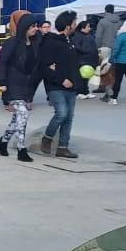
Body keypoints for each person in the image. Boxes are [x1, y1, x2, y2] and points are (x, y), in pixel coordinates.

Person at [0, 13, 41, 162]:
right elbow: (2, 62)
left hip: (25, 84)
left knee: (17, 118)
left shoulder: (34, 43)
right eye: (33, 26)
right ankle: (21, 149)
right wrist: (2, 82)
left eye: (36, 26)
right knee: (23, 114)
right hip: (12, 83)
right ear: (25, 27)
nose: (36, 29)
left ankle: (3, 141)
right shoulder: (13, 42)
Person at [37, 11, 82, 158]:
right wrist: (61, 79)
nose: (76, 25)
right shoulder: (51, 42)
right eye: (74, 23)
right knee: (61, 113)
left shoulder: (72, 42)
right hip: (56, 86)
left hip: (72, 86)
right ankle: (48, 137)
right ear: (68, 25)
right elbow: (45, 66)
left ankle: (63, 146)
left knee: (69, 117)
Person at [94, 4, 122, 98]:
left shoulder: (102, 21)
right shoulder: (120, 22)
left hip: (104, 47)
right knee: (112, 70)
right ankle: (111, 87)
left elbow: (98, 36)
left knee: (103, 69)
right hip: (116, 48)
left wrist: (96, 47)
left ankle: (104, 88)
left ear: (105, 11)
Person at [70, 20, 98, 97]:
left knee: (86, 76)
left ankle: (86, 91)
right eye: (88, 27)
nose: (89, 28)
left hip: (89, 59)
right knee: (80, 77)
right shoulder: (77, 36)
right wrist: (87, 51)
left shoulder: (89, 36)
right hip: (81, 60)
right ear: (82, 28)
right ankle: (79, 92)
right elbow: (77, 47)